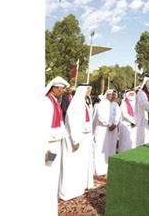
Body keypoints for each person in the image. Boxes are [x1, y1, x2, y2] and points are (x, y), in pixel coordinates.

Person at [58, 84, 94, 201]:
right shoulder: (76, 105)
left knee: (79, 163)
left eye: (90, 89)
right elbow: (73, 124)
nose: (89, 91)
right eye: (87, 89)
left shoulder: (84, 103)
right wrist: (75, 140)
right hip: (75, 139)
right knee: (71, 164)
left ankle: (78, 187)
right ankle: (67, 191)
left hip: (83, 137)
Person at [44, 77, 69, 212]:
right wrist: (43, 150)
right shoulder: (46, 103)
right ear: (54, 88)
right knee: (47, 174)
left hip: (56, 144)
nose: (64, 90)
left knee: (53, 175)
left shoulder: (55, 102)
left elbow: (60, 123)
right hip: (49, 146)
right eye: (62, 88)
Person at [92, 89, 121, 176]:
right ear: (107, 95)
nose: (113, 96)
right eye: (111, 94)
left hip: (113, 130)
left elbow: (118, 115)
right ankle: (98, 170)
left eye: (114, 95)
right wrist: (109, 124)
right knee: (101, 148)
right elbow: (101, 116)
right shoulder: (102, 104)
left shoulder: (116, 105)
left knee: (111, 148)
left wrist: (115, 124)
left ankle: (108, 168)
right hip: (103, 129)